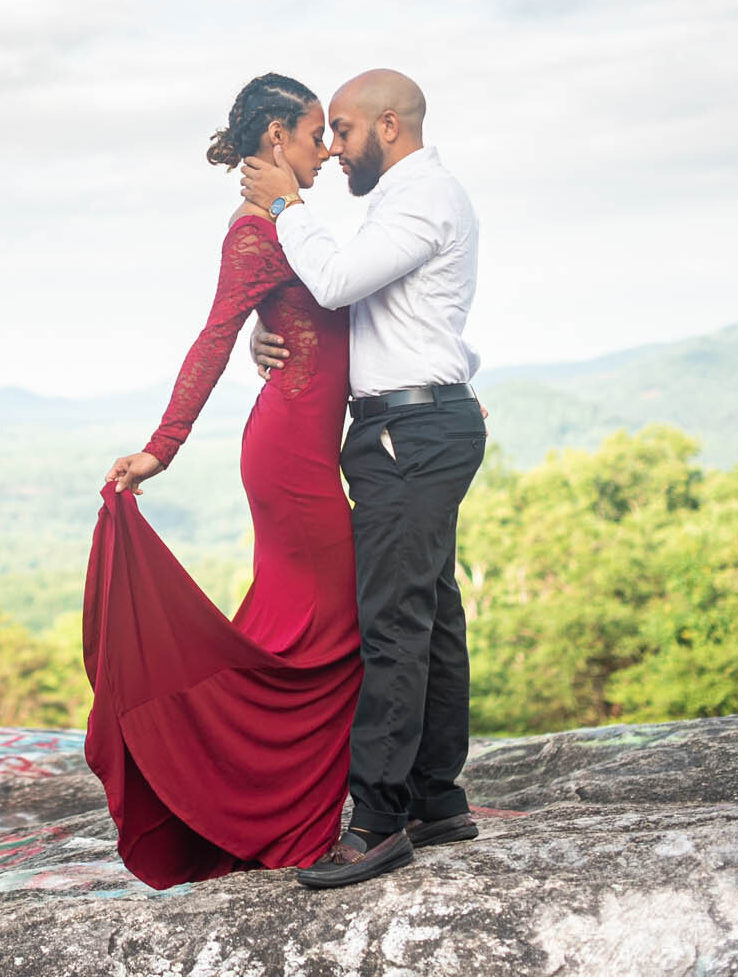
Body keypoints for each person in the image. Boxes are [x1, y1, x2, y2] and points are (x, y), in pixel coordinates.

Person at [85, 72, 362, 889]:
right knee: (335, 633)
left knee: (306, 633)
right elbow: (214, 336)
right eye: (316, 133)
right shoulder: (256, 230)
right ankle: (286, 816)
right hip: (289, 456)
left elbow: (339, 306)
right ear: (276, 136)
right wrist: (160, 448)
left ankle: (265, 798)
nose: (327, 150)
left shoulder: (288, 224)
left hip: (302, 445)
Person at [238, 67, 485, 890]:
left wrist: (285, 207)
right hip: (415, 425)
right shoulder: (407, 200)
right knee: (432, 607)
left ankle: (377, 821)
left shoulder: (422, 197)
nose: (334, 147)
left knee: (392, 621)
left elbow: (339, 279)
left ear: (388, 125)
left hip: (411, 430)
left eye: (342, 130)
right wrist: (265, 332)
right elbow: (351, 304)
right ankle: (436, 797)